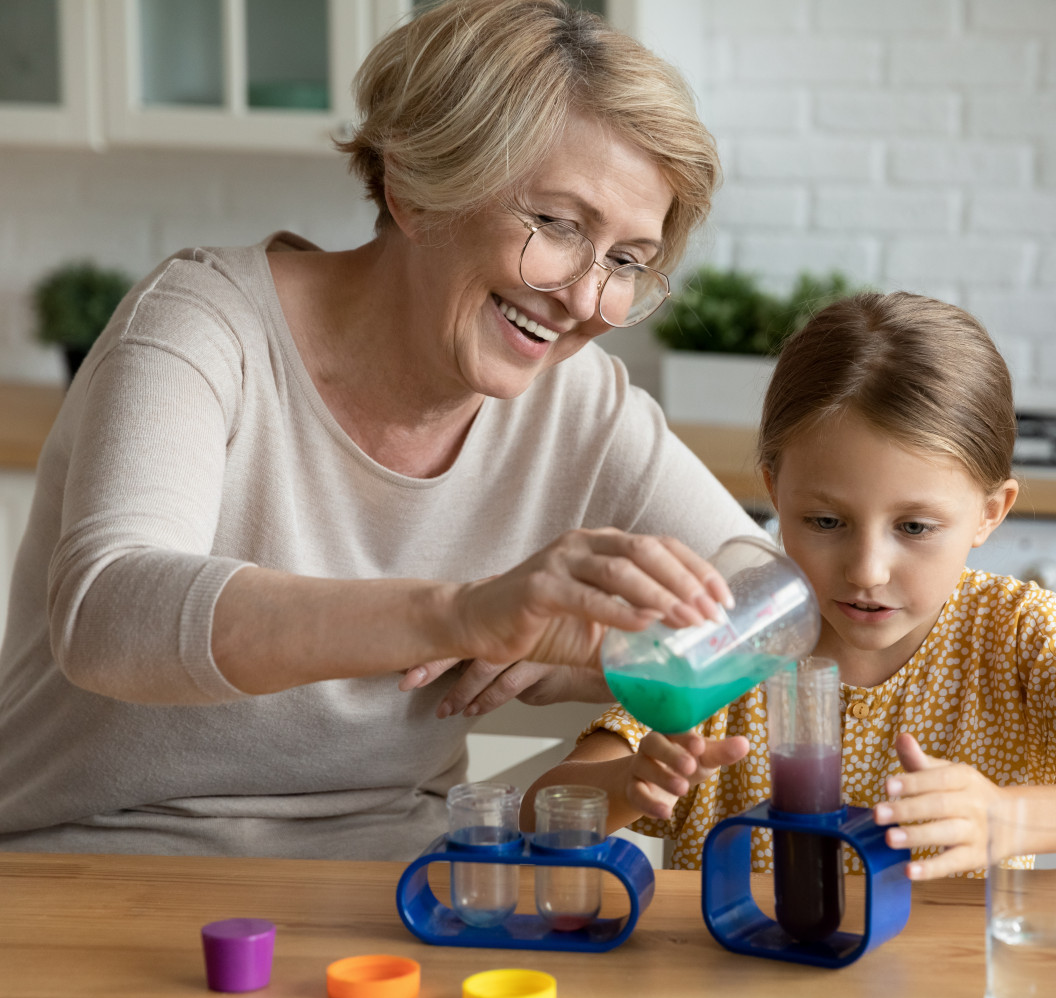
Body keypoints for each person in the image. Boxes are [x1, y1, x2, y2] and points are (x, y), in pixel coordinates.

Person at [0, 0, 757, 860]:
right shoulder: (202, 324)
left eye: (625, 260)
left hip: (389, 880)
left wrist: (605, 667)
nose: (587, 299)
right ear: (416, 189)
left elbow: (774, 597)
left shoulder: (576, 400)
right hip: (93, 862)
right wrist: (460, 614)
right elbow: (109, 613)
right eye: (556, 224)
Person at [526, 292, 1056, 879]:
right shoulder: (729, 625)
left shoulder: (1018, 631)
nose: (867, 569)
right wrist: (625, 784)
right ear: (776, 490)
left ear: (989, 512)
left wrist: (1007, 815)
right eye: (825, 520)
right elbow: (538, 812)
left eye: (916, 526)